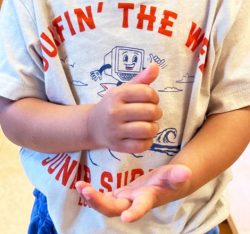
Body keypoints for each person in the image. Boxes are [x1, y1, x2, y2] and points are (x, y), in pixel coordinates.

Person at [0, 0, 249, 233]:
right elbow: (13, 109)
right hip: (63, 217)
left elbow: (236, 107)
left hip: (187, 219)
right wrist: (90, 126)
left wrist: (184, 173)